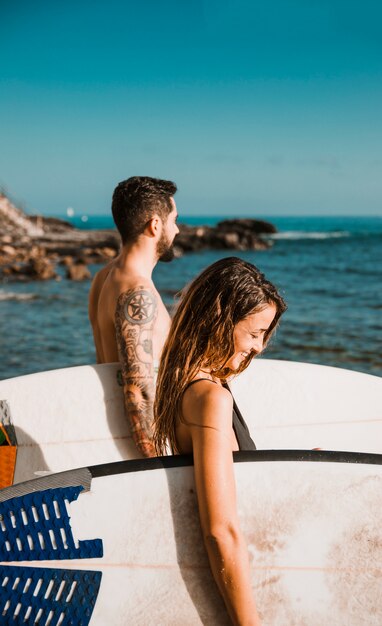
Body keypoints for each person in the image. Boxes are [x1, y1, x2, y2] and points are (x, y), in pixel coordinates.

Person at [154, 257, 286, 625]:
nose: (259, 347)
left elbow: (230, 473)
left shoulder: (185, 381)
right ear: (220, 320)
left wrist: (296, 464)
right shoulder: (210, 399)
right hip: (246, 590)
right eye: (255, 333)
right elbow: (220, 531)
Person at [89, 176, 179, 457]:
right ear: (155, 224)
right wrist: (157, 464)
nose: (176, 229)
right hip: (140, 452)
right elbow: (138, 392)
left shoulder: (103, 277)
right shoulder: (138, 292)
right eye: (174, 220)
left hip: (116, 441)